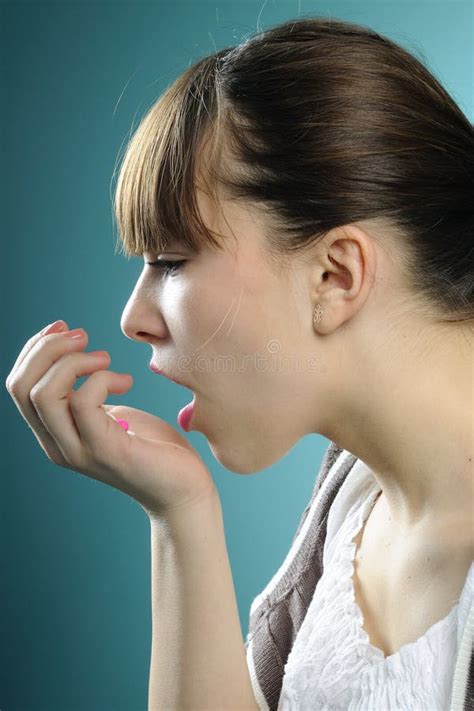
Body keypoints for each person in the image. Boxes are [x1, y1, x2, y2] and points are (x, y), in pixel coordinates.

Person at [7, 15, 473, 711]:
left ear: (335, 276)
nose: (134, 317)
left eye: (169, 260)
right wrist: (179, 513)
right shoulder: (350, 496)